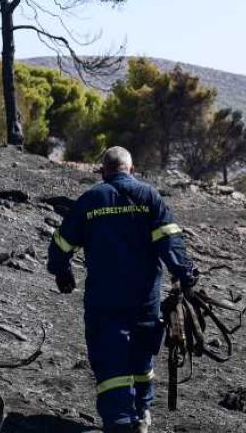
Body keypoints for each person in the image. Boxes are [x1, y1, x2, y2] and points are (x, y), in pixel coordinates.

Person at [47, 146, 198, 433]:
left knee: (109, 355)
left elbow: (63, 241)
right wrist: (185, 273)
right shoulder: (149, 196)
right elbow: (169, 240)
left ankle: (118, 420)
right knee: (142, 354)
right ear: (132, 169)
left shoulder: (91, 199)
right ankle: (141, 413)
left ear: (103, 172)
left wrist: (61, 270)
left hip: (105, 296)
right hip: (145, 296)